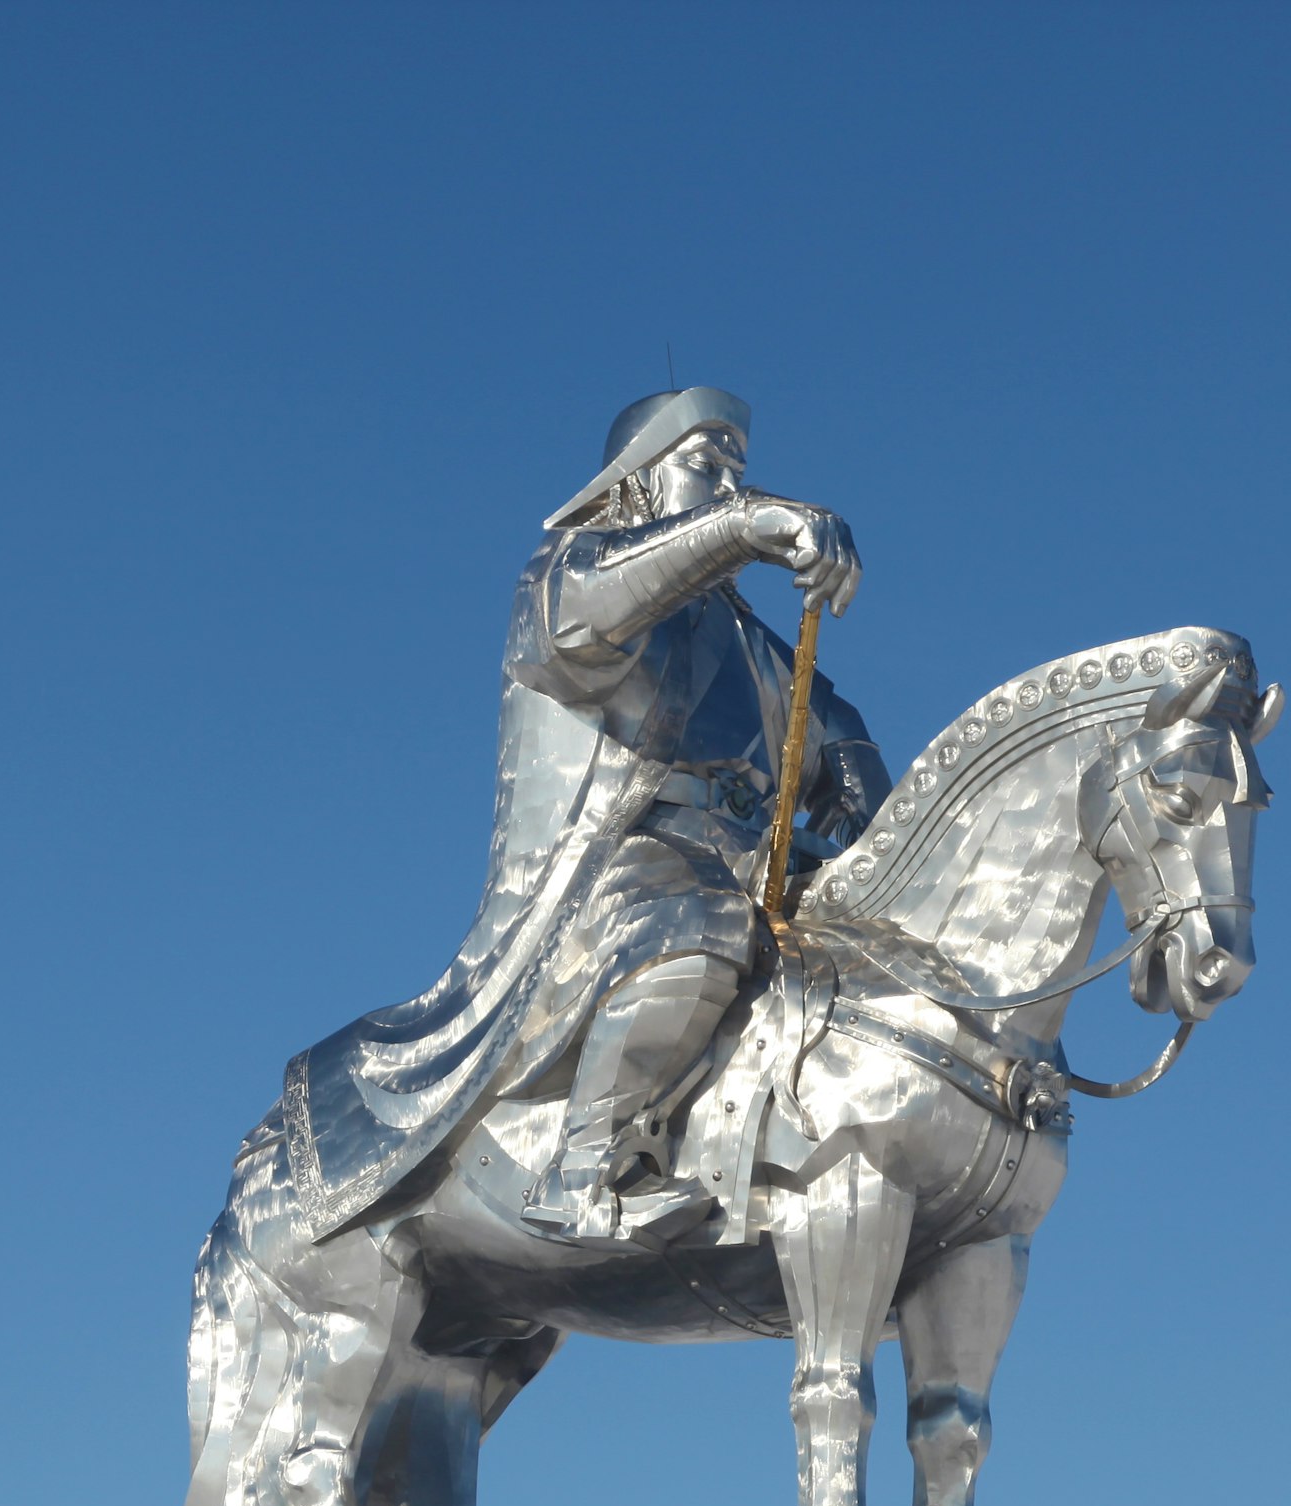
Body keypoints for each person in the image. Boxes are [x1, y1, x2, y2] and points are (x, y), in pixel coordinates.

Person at [275, 388, 891, 1249]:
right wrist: (746, 523)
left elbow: (833, 728)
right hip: (622, 871)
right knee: (695, 926)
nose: (724, 487)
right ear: (636, 485)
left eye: (738, 475)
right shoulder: (570, 577)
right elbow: (590, 620)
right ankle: (584, 1169)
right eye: (705, 467)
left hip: (759, 870)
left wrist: (871, 819)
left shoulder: (754, 642)